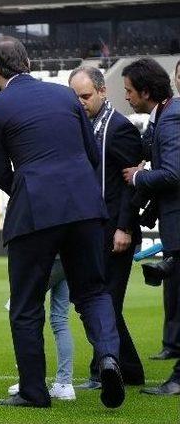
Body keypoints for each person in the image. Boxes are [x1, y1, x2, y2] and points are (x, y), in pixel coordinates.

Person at [0, 36, 123, 409]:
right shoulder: (65, 95)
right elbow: (91, 153)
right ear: (27, 62)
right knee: (93, 291)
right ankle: (108, 357)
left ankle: (34, 391)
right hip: (85, 206)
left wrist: (27, 190)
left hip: (36, 212)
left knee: (26, 304)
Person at [68, 66, 145, 389]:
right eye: (75, 97)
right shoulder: (82, 127)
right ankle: (126, 368)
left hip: (115, 231)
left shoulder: (120, 128)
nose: (81, 102)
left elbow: (132, 184)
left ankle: (105, 368)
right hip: (91, 231)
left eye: (86, 96)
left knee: (106, 302)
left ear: (103, 91)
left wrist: (125, 227)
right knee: (95, 301)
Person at [121, 58, 180, 395]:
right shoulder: (162, 116)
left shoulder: (171, 118)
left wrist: (138, 176)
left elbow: (173, 173)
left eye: (129, 90)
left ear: (145, 91)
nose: (127, 96)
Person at [8, 260, 76, 401]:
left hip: (48, 257)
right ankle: (64, 384)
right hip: (69, 259)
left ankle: (30, 381)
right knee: (60, 320)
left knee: (22, 310)